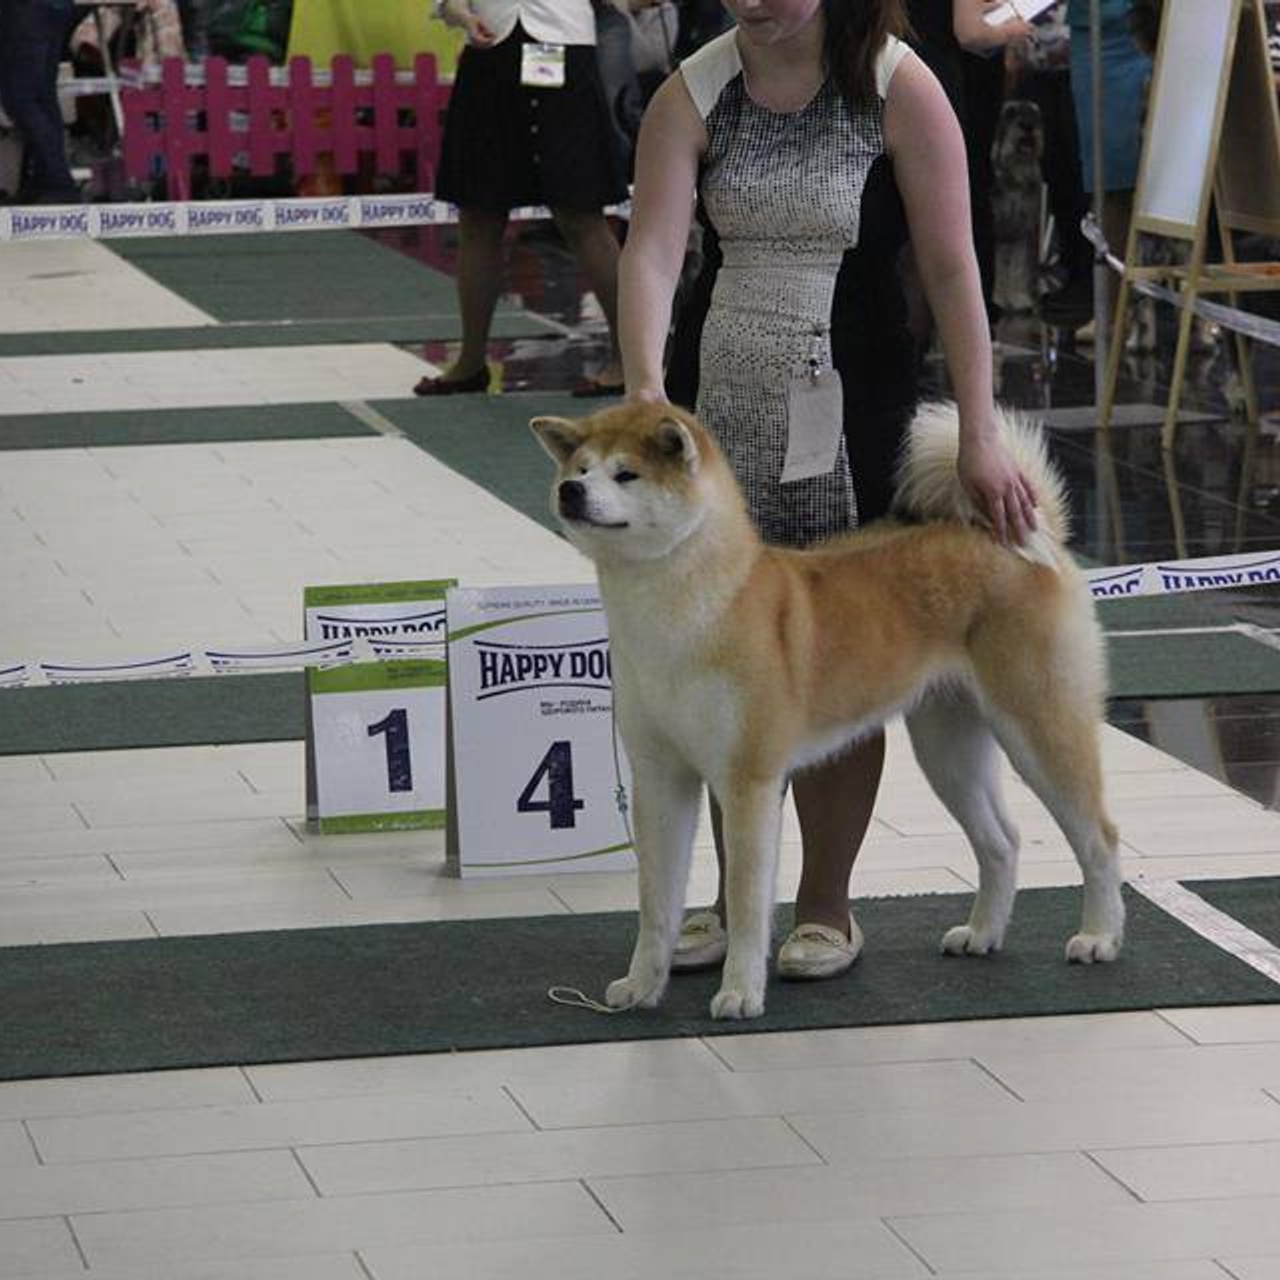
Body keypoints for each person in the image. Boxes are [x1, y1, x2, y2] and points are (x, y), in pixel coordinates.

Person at [618, 0, 1037, 978]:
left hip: (855, 404)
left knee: (834, 663)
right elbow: (651, 246)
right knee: (723, 662)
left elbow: (949, 266)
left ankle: (824, 905)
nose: (751, 4)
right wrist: (643, 383)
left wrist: (978, 430)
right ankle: (728, 904)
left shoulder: (900, 86)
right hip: (714, 411)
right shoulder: (694, 90)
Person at [416, 0, 630, 397]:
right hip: (490, 51)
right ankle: (470, 361)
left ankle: (628, 361)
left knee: (581, 217)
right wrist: (460, 14)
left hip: (564, 47)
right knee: (478, 215)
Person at [0, 0, 80, 205]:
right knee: (42, 97)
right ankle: (46, 180)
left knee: (21, 99)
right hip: (53, 8)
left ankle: (57, 180)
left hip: (28, 9)